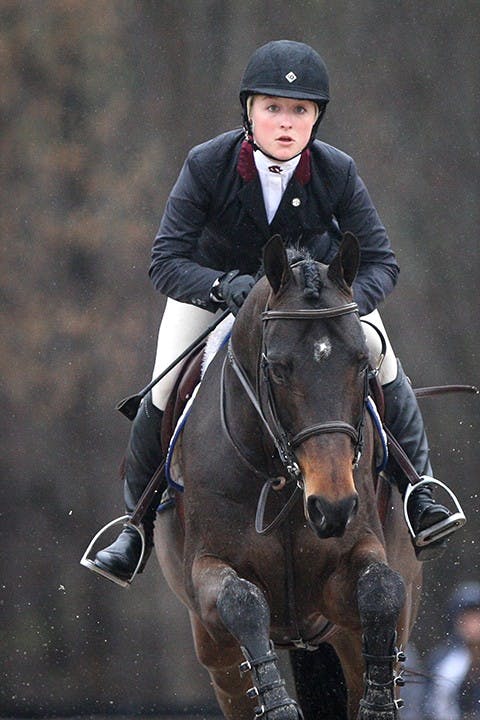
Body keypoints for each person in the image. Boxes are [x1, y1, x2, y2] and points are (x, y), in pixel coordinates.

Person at [89, 40, 462, 585]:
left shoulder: (336, 170)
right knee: (163, 387)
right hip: (215, 296)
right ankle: (136, 526)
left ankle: (420, 491)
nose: (286, 123)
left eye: (300, 111)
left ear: (315, 119)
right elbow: (166, 260)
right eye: (273, 108)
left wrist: (344, 303)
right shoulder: (207, 164)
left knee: (381, 359)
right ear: (249, 111)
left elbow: (382, 262)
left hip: (314, 309)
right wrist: (223, 286)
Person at [425, 581, 480, 719]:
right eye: (466, 617)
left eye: (477, 617)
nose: (472, 624)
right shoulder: (441, 660)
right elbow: (430, 705)